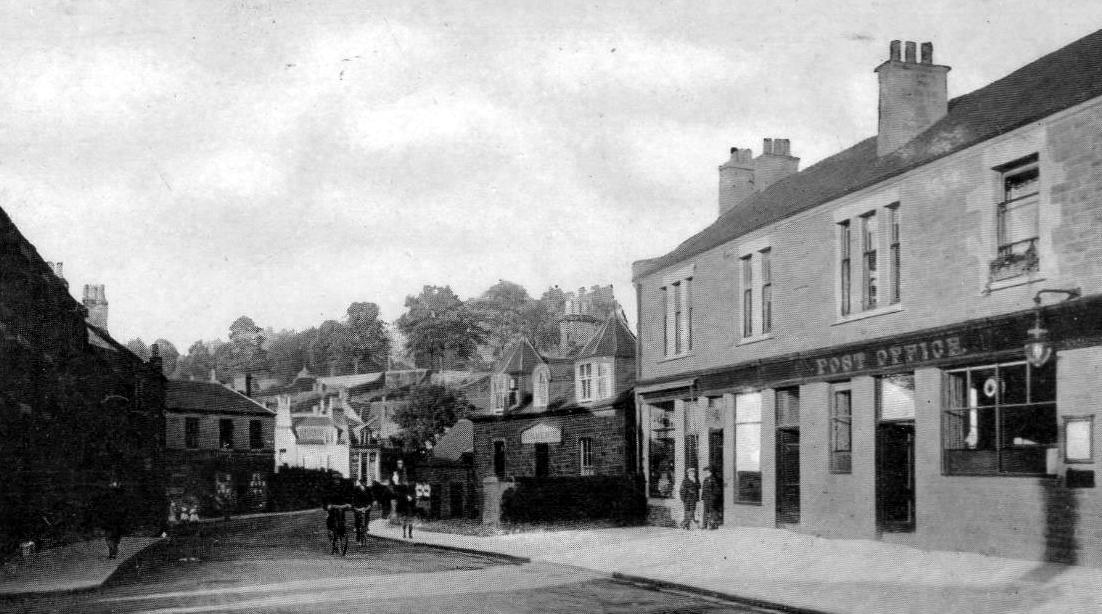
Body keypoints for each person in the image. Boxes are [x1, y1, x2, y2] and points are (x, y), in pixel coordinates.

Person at [93, 479, 129, 559]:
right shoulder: (108, 498)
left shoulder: (119, 498)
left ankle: (113, 552)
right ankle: (112, 552)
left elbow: (124, 509)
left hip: (115, 521)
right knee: (111, 538)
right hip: (112, 521)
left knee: (113, 538)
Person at [352, 478, 373, 546]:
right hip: (358, 507)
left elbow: (371, 498)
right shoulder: (356, 489)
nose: (364, 483)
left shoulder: (368, 489)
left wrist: (370, 505)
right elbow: (354, 498)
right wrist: (355, 507)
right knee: (358, 523)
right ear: (360, 482)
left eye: (365, 482)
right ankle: (358, 539)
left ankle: (366, 527)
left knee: (366, 519)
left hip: (366, 507)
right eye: (363, 482)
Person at [701, 466, 722, 530]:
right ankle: (704, 525)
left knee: (711, 512)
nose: (706, 473)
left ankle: (712, 525)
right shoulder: (705, 479)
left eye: (707, 472)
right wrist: (703, 497)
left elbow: (717, 490)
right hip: (706, 499)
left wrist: (713, 497)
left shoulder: (713, 480)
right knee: (705, 512)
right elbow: (704, 490)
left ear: (710, 473)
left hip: (711, 499)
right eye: (706, 472)